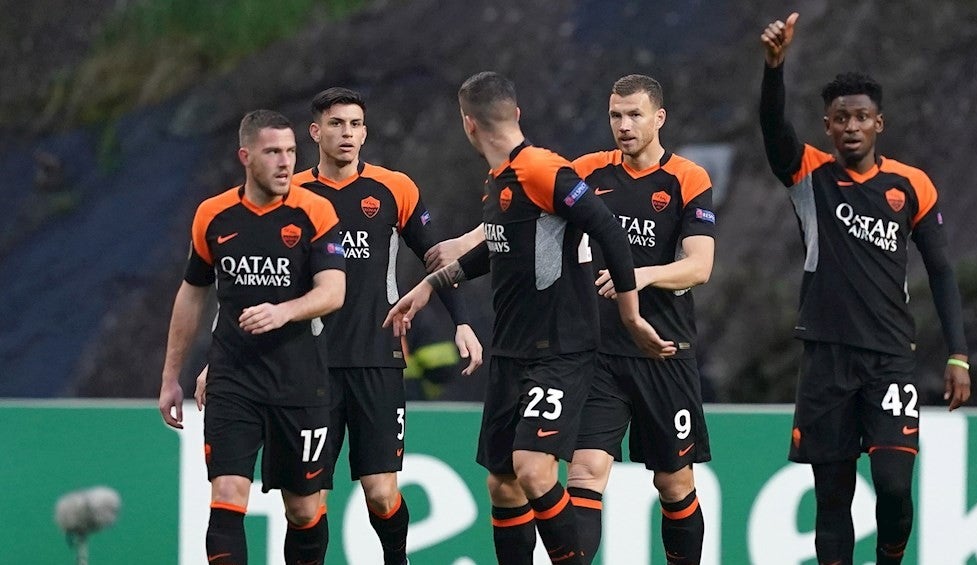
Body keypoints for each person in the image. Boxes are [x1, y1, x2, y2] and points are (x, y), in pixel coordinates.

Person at [385, 71, 675, 565]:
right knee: (503, 484)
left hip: (559, 352)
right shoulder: (499, 179)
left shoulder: (545, 171)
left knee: (534, 470)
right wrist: (430, 285)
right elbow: (502, 250)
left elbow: (609, 232)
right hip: (510, 353)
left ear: (468, 125)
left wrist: (629, 314)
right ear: (514, 113)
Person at [759, 13, 971, 565]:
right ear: (827, 127)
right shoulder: (809, 175)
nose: (851, 126)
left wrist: (959, 354)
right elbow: (773, 128)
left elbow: (942, 270)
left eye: (861, 117)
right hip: (825, 358)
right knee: (833, 501)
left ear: (880, 123)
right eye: (839, 118)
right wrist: (774, 70)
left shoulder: (911, 184)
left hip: (889, 360)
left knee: (895, 488)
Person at [293, 87, 482, 565]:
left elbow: (436, 257)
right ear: (316, 132)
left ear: (366, 132)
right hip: (309, 366)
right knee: (306, 502)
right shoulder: (292, 195)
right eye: (336, 124)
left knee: (380, 492)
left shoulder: (393, 188)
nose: (347, 134)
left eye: (355, 124)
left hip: (377, 358)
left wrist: (462, 322)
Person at [158, 109, 347, 565]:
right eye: (272, 152)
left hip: (299, 380)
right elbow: (192, 293)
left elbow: (334, 291)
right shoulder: (213, 216)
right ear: (246, 156)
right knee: (226, 494)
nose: (285, 163)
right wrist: (170, 377)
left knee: (303, 510)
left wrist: (284, 311)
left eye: (290, 152)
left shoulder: (314, 211)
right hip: (233, 379)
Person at [561, 74, 715, 565]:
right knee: (584, 473)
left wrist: (638, 275)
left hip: (663, 351)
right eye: (615, 115)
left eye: (634, 115)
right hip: (600, 352)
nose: (624, 126)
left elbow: (700, 266)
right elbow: (529, 200)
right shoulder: (587, 172)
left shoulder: (688, 178)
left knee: (674, 482)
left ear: (659, 118)